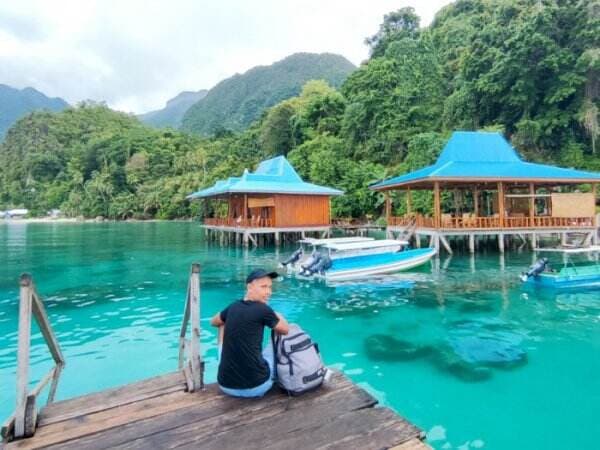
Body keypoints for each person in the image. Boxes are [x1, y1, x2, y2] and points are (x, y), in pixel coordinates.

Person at [210, 268, 289, 398]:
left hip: (225, 385)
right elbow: (286, 329)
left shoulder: (233, 306)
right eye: (263, 287)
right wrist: (276, 313)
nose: (269, 292)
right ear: (249, 287)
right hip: (257, 388)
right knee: (278, 331)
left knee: (222, 323)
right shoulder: (265, 310)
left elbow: (214, 322)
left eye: (270, 287)